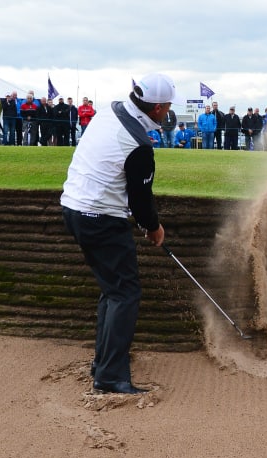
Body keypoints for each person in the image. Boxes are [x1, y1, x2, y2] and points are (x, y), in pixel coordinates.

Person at [59, 72, 176, 394]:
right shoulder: (139, 146)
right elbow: (140, 201)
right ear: (157, 109)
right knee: (125, 294)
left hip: (74, 208)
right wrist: (153, 228)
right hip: (100, 219)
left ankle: (103, 363)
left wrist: (145, 221)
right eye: (166, 107)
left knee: (113, 290)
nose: (167, 113)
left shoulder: (111, 110)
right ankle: (110, 377)